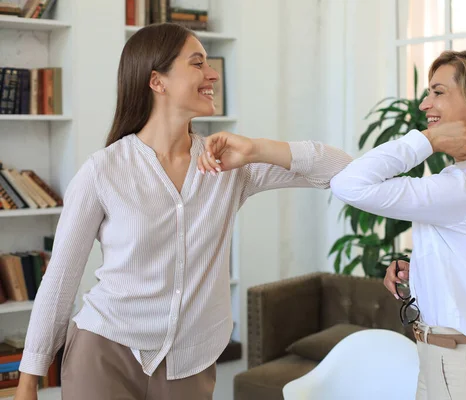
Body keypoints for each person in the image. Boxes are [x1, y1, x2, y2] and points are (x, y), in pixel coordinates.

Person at [15, 23, 356, 400]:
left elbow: (341, 170)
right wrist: (29, 381)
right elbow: (61, 279)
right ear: (157, 81)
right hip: (105, 351)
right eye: (198, 64)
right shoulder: (104, 170)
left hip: (190, 363)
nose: (212, 74)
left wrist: (258, 148)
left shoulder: (229, 164)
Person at [330, 50, 466, 399]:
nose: (424, 105)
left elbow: (350, 184)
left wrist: (427, 140)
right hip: (446, 359)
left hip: (461, 367)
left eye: (438, 92)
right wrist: (423, 268)